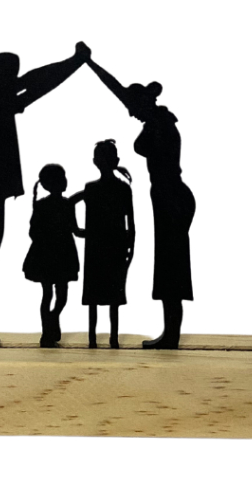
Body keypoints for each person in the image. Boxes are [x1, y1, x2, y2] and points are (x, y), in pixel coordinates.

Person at [0, 42, 91, 347]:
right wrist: (74, 63)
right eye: (12, 74)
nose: (16, 79)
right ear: (0, 73)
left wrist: (73, 63)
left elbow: (33, 82)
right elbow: (35, 85)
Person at [84, 60, 195, 349]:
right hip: (167, 196)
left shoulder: (159, 125)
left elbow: (141, 137)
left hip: (172, 198)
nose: (131, 114)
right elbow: (119, 91)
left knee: (172, 266)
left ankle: (171, 335)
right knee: (169, 264)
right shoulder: (157, 121)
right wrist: (90, 63)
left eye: (133, 109)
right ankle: (170, 333)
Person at [69, 140, 134, 349]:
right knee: (101, 296)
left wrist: (78, 230)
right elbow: (131, 223)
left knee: (106, 296)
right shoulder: (105, 188)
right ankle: (100, 339)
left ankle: (103, 339)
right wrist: (77, 230)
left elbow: (131, 222)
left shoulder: (115, 189)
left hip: (107, 246)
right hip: (104, 246)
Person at [23, 164, 83, 347]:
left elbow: (75, 229)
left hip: (57, 255)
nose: (65, 181)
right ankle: (46, 331)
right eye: (61, 178)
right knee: (49, 294)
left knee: (59, 296)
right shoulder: (46, 205)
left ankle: (51, 319)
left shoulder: (64, 205)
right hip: (52, 255)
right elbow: (33, 231)